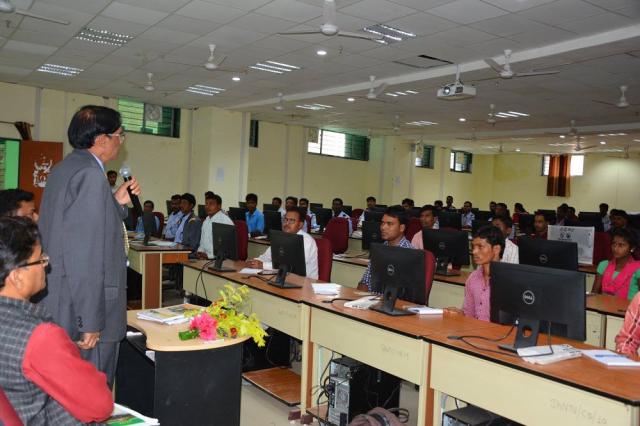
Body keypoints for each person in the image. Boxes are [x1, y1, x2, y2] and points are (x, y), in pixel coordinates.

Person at [38, 105, 140, 385]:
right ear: (101, 139)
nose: (121, 141)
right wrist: (90, 320)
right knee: (92, 392)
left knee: (66, 390)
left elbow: (77, 233)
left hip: (63, 301)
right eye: (120, 134)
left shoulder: (66, 168)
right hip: (87, 311)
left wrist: (115, 202)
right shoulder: (90, 176)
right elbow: (85, 254)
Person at [0, 217, 114, 424]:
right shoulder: (39, 337)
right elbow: (100, 404)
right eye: (40, 259)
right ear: (17, 276)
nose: (46, 264)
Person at [246, 207, 318, 279]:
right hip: (283, 277)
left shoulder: (307, 241)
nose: (286, 223)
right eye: (285, 220)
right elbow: (267, 256)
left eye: (291, 221)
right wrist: (256, 261)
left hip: (306, 281)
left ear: (300, 225)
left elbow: (293, 266)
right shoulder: (280, 237)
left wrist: (263, 265)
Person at [358, 206, 414, 292]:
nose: (383, 227)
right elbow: (365, 281)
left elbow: (407, 292)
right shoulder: (379, 250)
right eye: (382, 223)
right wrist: (359, 296)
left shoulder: (410, 254)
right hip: (372, 297)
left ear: (402, 228)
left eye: (389, 224)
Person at [461, 225, 504, 321]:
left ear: (496, 249)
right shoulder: (473, 278)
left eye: (480, 247)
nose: (474, 252)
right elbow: (468, 315)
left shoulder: (508, 281)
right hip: (474, 329)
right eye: (473, 247)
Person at [591, 228, 640, 300]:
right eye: (614, 244)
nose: (615, 248)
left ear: (632, 248)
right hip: (603, 306)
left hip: (628, 307)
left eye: (621, 245)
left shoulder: (638, 269)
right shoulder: (604, 265)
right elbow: (593, 295)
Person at [196, 193, 234, 260]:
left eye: (211, 204)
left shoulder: (225, 221)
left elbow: (226, 248)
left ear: (219, 206)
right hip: (205, 257)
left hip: (219, 259)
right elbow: (202, 242)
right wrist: (200, 252)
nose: (207, 206)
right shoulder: (206, 220)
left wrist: (209, 256)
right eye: (206, 204)